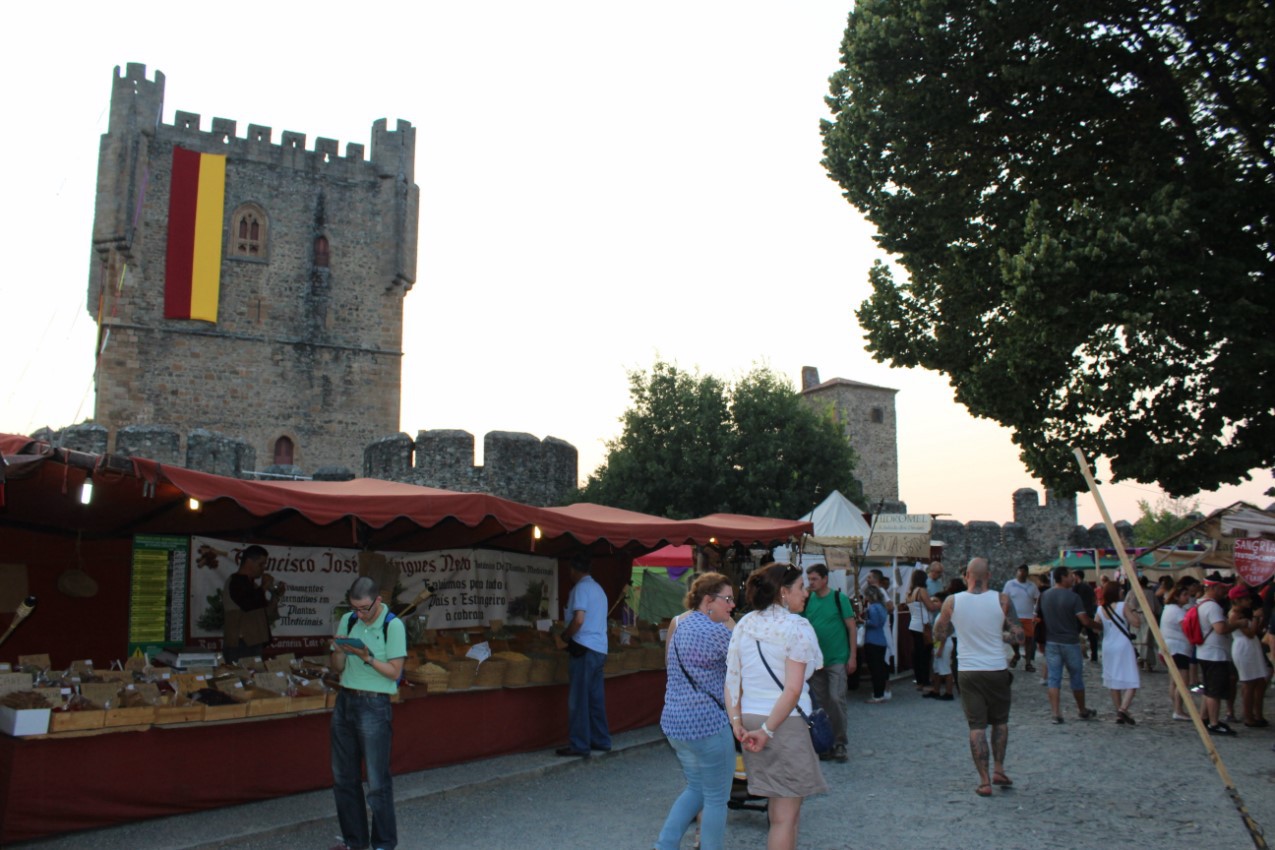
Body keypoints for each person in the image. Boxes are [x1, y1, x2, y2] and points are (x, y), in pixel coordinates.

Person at [725, 563, 826, 850]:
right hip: (784, 722)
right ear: (783, 592)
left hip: (752, 718)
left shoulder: (744, 624)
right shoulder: (797, 627)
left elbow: (732, 680)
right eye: (800, 587)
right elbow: (793, 689)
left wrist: (737, 722)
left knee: (779, 808)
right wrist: (769, 729)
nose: (805, 593)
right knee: (785, 815)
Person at [655, 573, 737, 850]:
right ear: (707, 600)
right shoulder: (721, 632)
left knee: (696, 789)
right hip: (708, 723)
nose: (731, 605)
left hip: (675, 722)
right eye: (727, 599)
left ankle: (665, 845)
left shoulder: (677, 623)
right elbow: (741, 671)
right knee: (716, 798)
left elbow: (671, 669)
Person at [328, 576, 407, 850]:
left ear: (378, 601)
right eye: (354, 607)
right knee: (343, 780)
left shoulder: (393, 625)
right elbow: (337, 667)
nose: (359, 614)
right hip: (345, 701)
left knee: (377, 783)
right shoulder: (348, 620)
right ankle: (355, 842)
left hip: (374, 705)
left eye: (364, 608)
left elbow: (395, 673)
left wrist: (367, 658)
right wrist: (338, 649)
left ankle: (383, 844)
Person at [933, 558, 1022, 797]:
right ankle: (999, 769)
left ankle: (984, 781)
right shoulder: (1002, 600)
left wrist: (958, 628)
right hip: (996, 667)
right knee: (1000, 722)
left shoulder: (953, 601)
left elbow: (938, 632)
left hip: (969, 669)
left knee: (976, 726)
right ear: (989, 575)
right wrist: (998, 636)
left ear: (967, 575)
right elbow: (1018, 636)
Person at [801, 563, 857, 762]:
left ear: (825, 579)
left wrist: (852, 656)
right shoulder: (807, 601)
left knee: (836, 698)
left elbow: (851, 628)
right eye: (809, 579)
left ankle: (840, 741)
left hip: (836, 658)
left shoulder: (838, 598)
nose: (811, 583)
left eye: (815, 579)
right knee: (821, 702)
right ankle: (825, 741)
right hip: (815, 661)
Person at [557, 555, 612, 756]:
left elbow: (579, 619)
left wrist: (565, 636)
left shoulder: (580, 588)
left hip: (584, 647)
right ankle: (601, 739)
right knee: (595, 698)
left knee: (578, 699)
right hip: (599, 649)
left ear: (573, 569)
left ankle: (579, 744)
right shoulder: (599, 589)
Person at [1040, 566, 1100, 723]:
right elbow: (1085, 621)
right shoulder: (1073, 597)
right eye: (1070, 576)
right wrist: (1100, 626)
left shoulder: (1045, 595)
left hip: (1052, 642)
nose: (1073, 578)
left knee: (1054, 678)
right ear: (1063, 577)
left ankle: (1055, 713)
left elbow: (1037, 617)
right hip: (1070, 643)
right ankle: (1082, 710)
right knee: (1076, 677)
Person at [1196, 577, 1246, 736]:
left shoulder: (1200, 603)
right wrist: (1238, 624)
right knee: (1214, 691)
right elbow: (1220, 629)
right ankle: (1214, 723)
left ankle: (1205, 718)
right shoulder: (1212, 607)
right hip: (1214, 654)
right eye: (1222, 588)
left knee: (1209, 688)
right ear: (1213, 588)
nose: (1224, 591)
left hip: (1205, 652)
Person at [222, 544, 284, 663]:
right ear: (249, 562)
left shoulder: (253, 586)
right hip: (240, 643)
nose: (263, 568)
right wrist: (264, 587)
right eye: (261, 564)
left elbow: (267, 614)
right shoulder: (235, 582)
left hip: (253, 642)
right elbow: (248, 605)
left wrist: (276, 595)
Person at [1096, 581, 1142, 724]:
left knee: (1113, 680)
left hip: (1108, 645)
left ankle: (1119, 712)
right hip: (1123, 645)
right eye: (1121, 589)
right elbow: (1136, 623)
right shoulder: (1123, 606)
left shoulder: (1100, 609)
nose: (1122, 591)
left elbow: (1096, 628)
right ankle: (1123, 709)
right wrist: (1133, 611)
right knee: (1132, 679)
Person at [1228, 584, 1268, 728]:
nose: (1248, 601)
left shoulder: (1243, 613)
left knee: (1258, 682)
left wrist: (1257, 618)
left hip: (1251, 647)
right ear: (1237, 600)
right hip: (1244, 648)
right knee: (1248, 684)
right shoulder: (1235, 615)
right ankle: (1248, 716)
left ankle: (1256, 714)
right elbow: (1250, 633)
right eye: (1245, 599)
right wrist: (1256, 618)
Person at [1159, 577, 1199, 720]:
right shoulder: (1177, 611)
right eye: (1185, 595)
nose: (1188, 597)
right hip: (1179, 648)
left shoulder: (1169, 609)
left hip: (1171, 647)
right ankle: (1178, 710)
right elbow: (1187, 629)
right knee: (1182, 681)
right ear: (1176, 596)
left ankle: (1177, 708)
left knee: (1174, 681)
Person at [906, 570, 939, 697]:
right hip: (922, 626)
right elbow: (930, 607)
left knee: (917, 654)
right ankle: (925, 681)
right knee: (925, 654)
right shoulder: (921, 591)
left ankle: (919, 680)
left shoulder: (910, 592)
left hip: (913, 624)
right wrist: (938, 604)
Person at [1003, 564, 1040, 672]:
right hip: (1014, 617)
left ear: (1027, 573)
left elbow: (1037, 599)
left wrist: (1036, 612)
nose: (1022, 573)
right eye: (1020, 571)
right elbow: (1005, 599)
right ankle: (1017, 654)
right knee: (1014, 639)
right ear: (1017, 572)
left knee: (1029, 640)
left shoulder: (1032, 586)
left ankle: (1028, 663)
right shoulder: (1010, 584)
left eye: (1024, 571)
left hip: (1028, 617)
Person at [861, 585, 891, 704]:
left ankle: (878, 694)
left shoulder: (873, 608)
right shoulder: (882, 607)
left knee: (875, 669)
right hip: (881, 640)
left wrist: (862, 621)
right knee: (880, 667)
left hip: (872, 640)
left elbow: (874, 623)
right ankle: (881, 692)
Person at [1073, 572, 1100, 662]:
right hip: (1088, 612)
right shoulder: (1088, 587)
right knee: (1092, 636)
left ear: (1077, 576)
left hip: (1079, 614)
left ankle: (1073, 655)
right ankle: (1094, 655)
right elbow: (1093, 599)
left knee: (1074, 635)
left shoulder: (1076, 587)